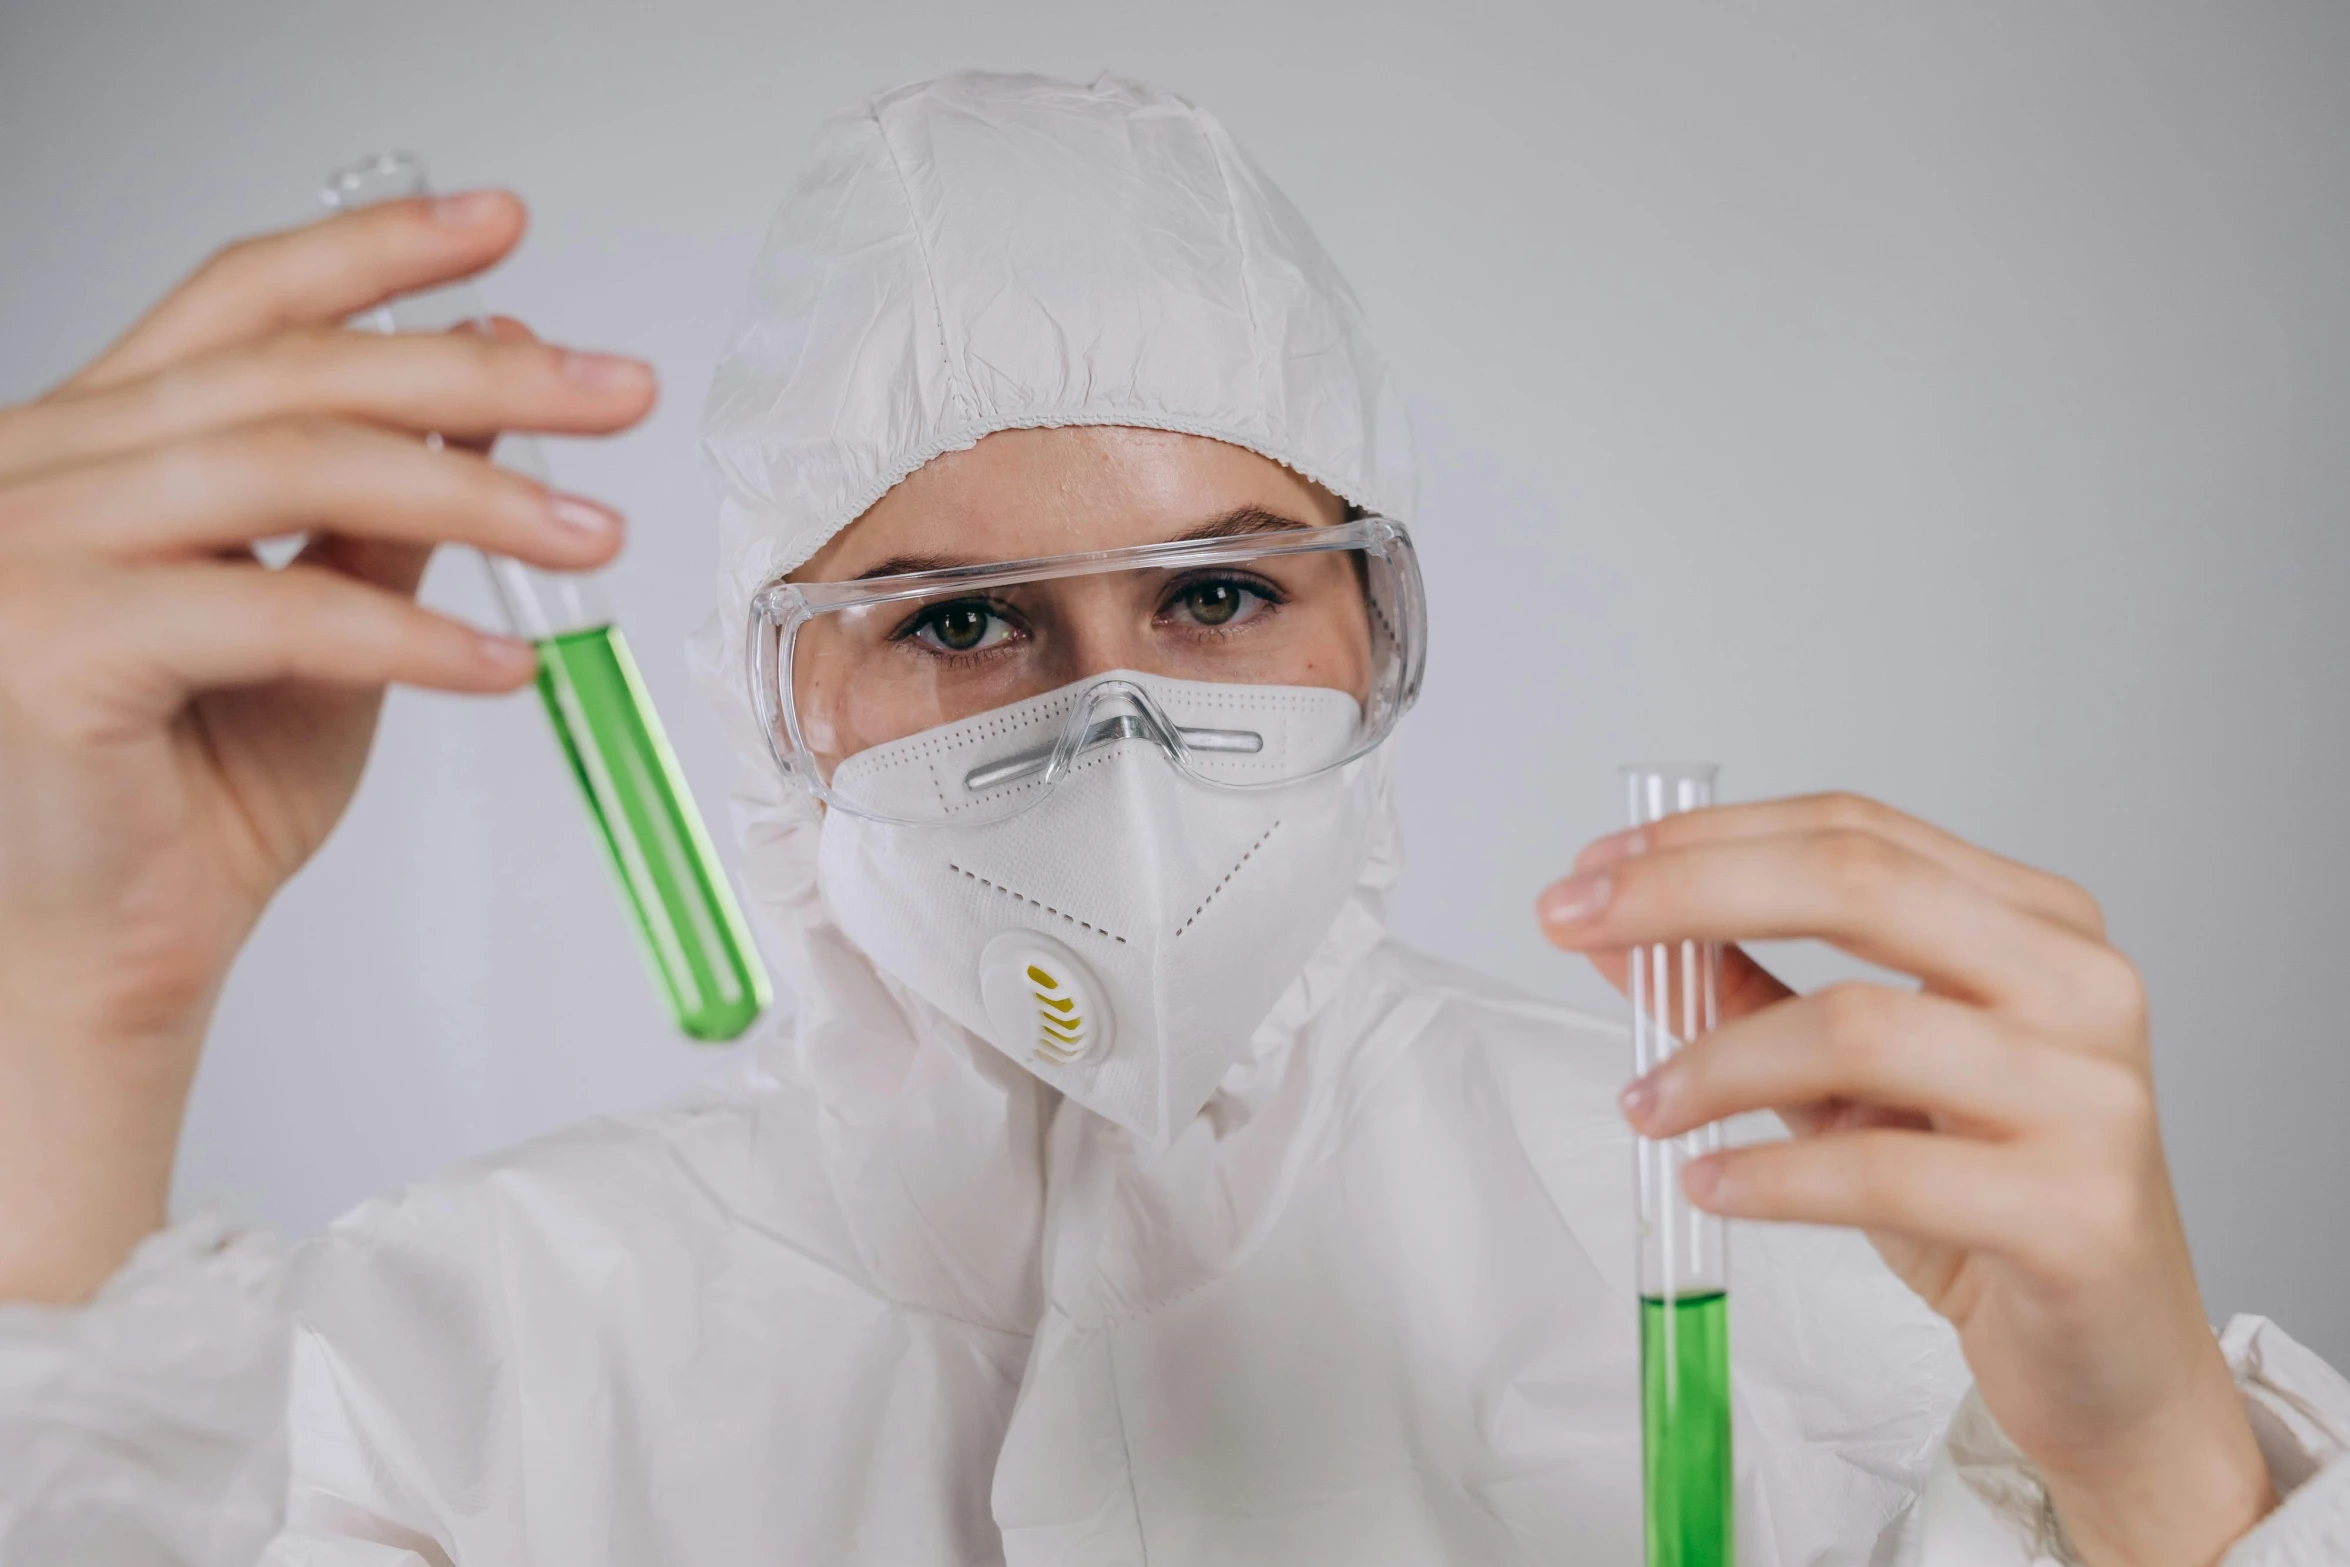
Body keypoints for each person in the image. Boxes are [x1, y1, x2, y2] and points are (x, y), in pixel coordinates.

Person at [0, 71, 2343, 1567]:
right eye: (953, 622)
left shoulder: (1781, 1265)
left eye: (1218, 589)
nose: (1112, 731)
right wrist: (60, 1024)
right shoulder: (458, 1365)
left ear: (1373, 628)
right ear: (768, 697)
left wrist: (2154, 1487)